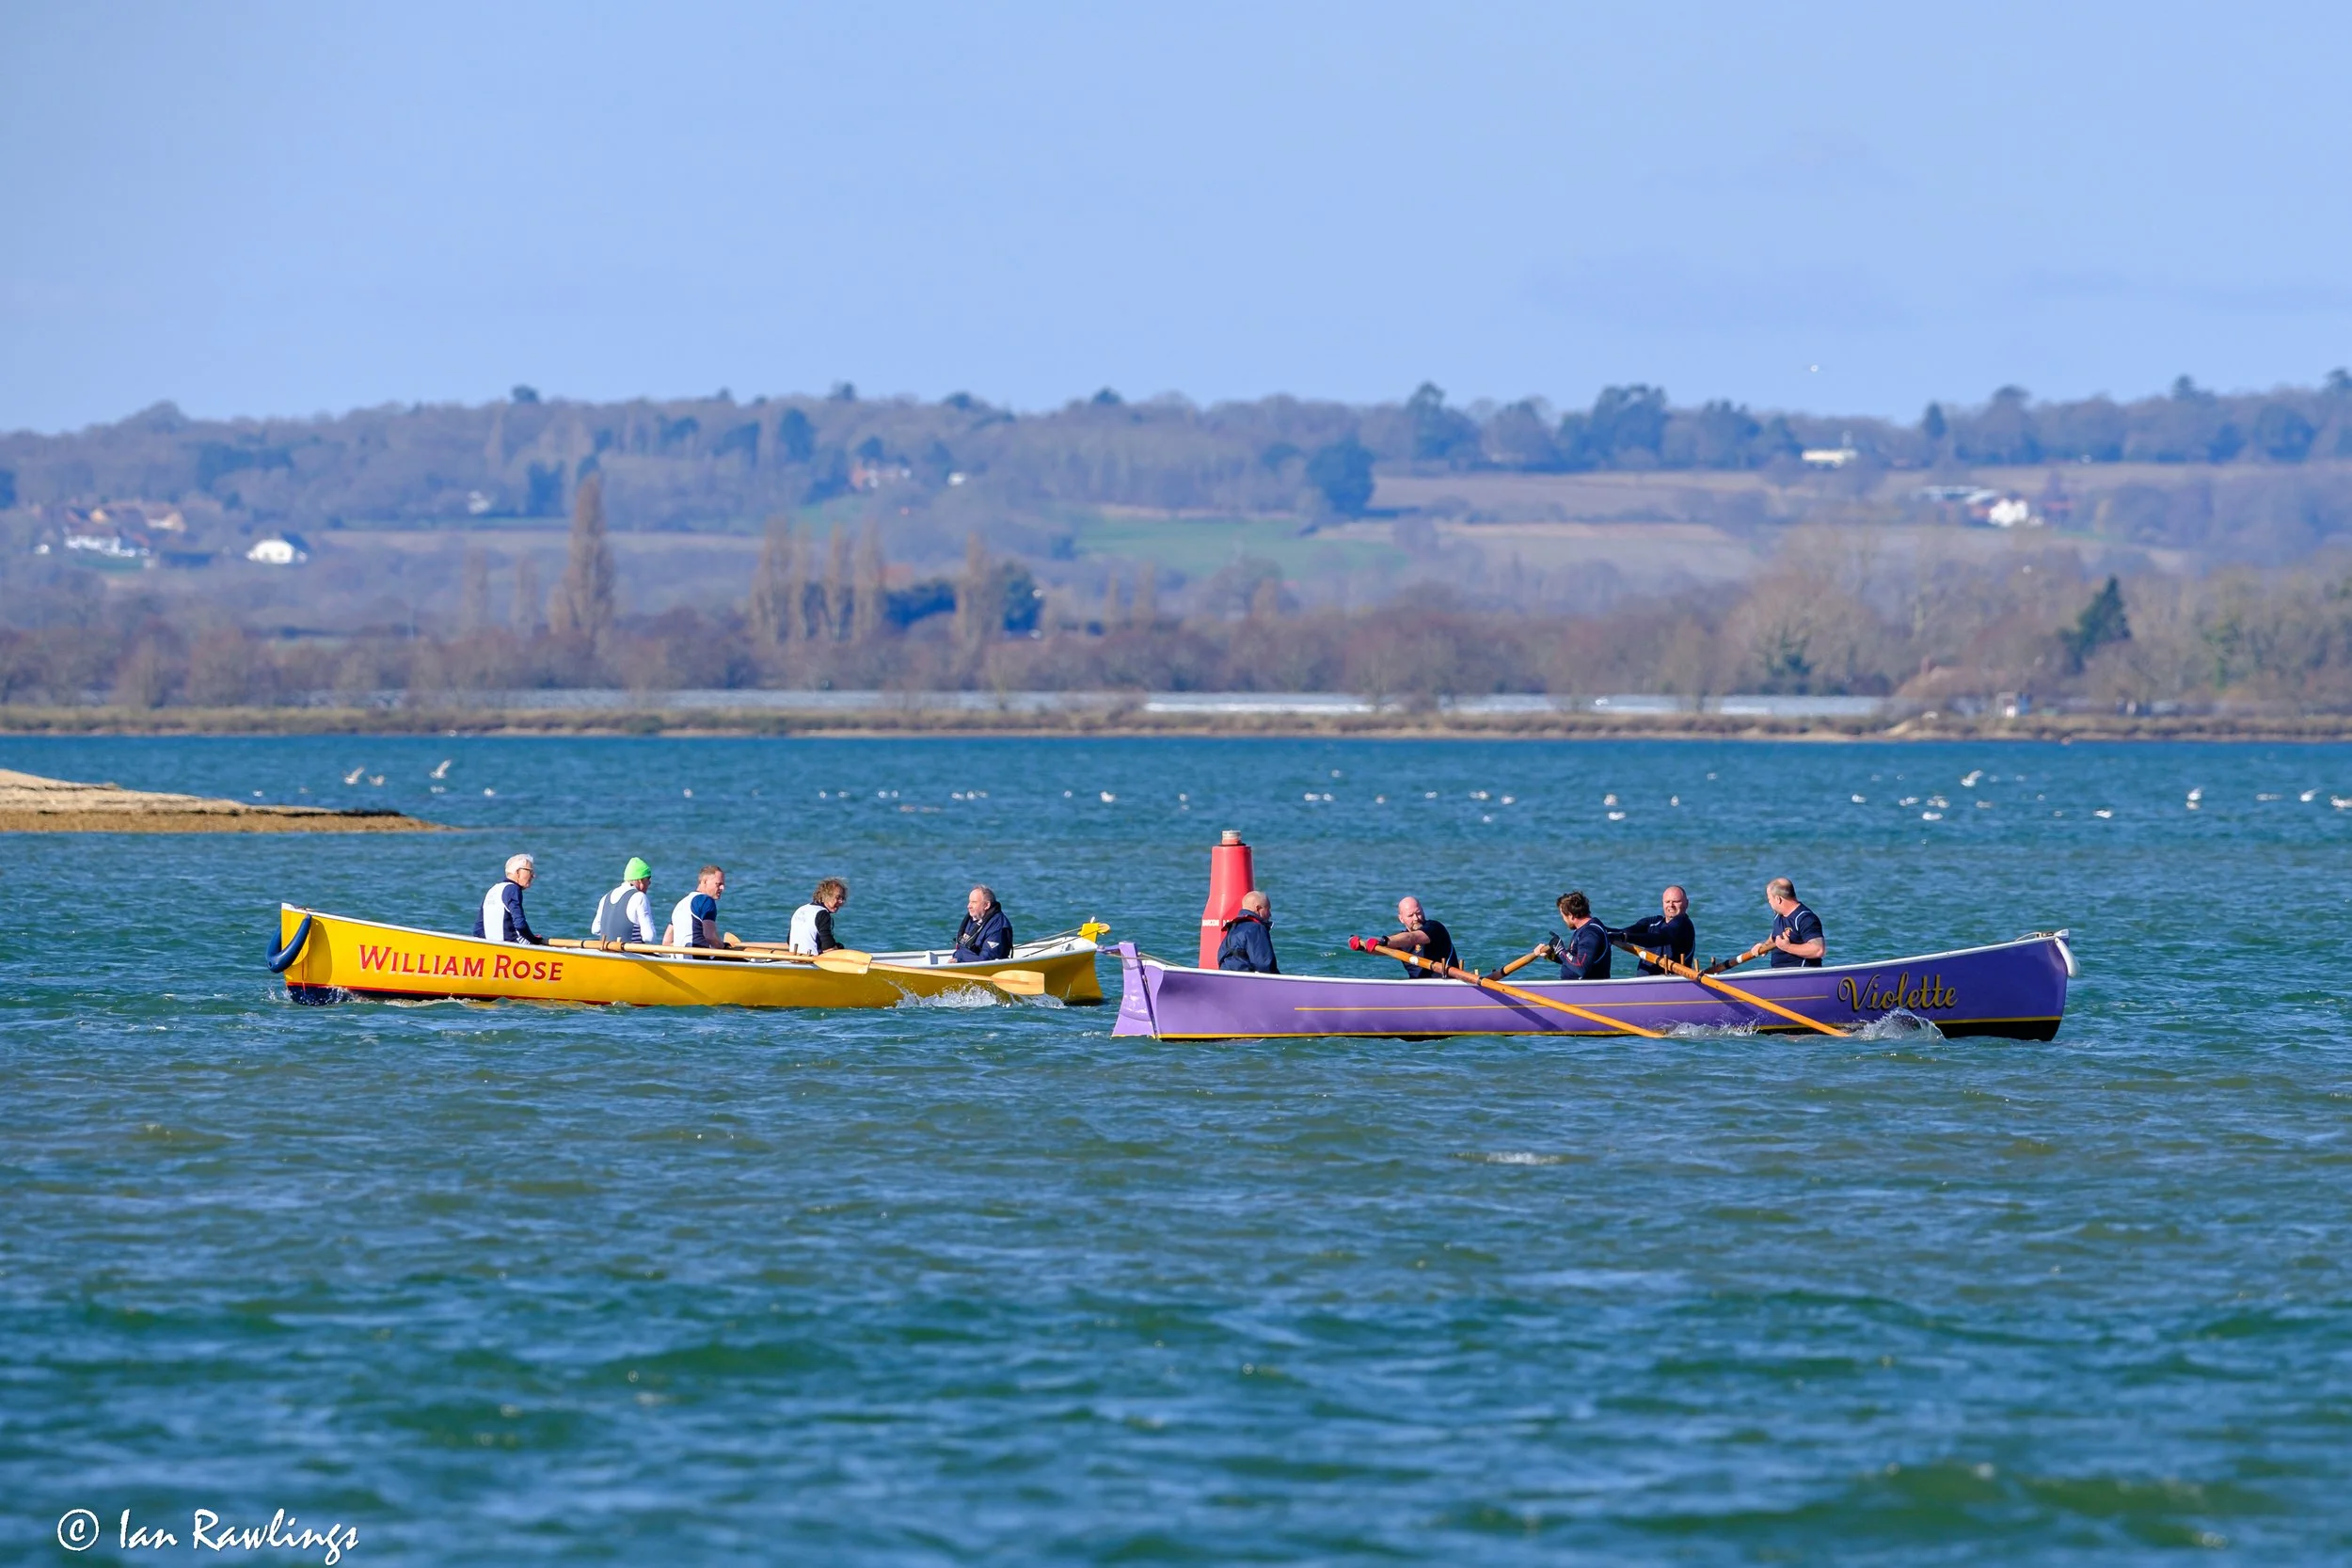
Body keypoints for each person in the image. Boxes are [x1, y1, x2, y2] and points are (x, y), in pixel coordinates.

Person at [1615, 884, 1695, 975]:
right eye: (1667, 902)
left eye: (1676, 901)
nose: (1671, 905)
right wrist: (1610, 933)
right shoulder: (1654, 922)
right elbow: (1627, 931)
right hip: (1644, 981)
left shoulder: (1684, 925)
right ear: (1663, 903)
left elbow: (1660, 937)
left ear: (1686, 903)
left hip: (1672, 980)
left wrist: (1626, 938)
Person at [475, 853, 548, 945]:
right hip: (514, 945)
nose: (533, 876)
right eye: (530, 871)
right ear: (518, 872)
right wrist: (534, 940)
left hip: (494, 946)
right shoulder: (512, 889)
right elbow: (520, 925)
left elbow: (478, 930)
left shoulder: (492, 890)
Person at [665, 863, 739, 951]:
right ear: (704, 882)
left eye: (723, 884)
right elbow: (710, 936)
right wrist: (724, 947)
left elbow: (666, 942)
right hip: (700, 957)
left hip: (680, 957)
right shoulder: (706, 900)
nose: (722, 888)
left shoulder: (680, 904)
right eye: (718, 884)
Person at [1380, 896, 1457, 979]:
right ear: (1401, 919)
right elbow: (1379, 949)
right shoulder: (1400, 940)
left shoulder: (1435, 928)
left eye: (1418, 913)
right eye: (1410, 915)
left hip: (1446, 982)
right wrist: (1371, 944)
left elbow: (1412, 937)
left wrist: (1385, 940)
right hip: (1416, 985)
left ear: (1423, 911)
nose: (1416, 918)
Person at [591, 857, 658, 946]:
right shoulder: (640, 897)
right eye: (648, 879)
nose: (649, 883)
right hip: (631, 953)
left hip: (606, 950)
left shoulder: (606, 897)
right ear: (640, 880)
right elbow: (649, 937)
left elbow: (595, 929)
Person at [1764, 877, 1825, 967]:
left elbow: (1818, 950)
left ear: (1778, 899)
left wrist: (1787, 947)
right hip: (1778, 972)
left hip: (1802, 973)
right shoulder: (1778, 916)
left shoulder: (1805, 918)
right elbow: (1774, 937)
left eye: (1769, 899)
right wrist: (1764, 946)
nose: (1769, 902)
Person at [1216, 890, 1279, 974]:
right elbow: (1264, 965)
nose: (1270, 914)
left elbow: (1221, 956)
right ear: (1258, 908)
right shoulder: (1256, 928)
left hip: (1225, 974)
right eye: (1268, 909)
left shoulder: (1233, 928)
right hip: (1246, 978)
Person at [1554, 891, 1612, 980]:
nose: (1564, 920)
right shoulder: (1584, 929)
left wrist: (1560, 951)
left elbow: (1581, 967)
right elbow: (1573, 961)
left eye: (1563, 916)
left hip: (1587, 987)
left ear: (1571, 915)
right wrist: (1552, 955)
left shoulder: (1590, 933)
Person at [951, 884, 1014, 963]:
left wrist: (960, 958)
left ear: (986, 905)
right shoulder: (973, 919)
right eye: (969, 901)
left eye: (974, 902)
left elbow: (988, 958)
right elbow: (963, 947)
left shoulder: (997, 925)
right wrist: (957, 957)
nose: (968, 906)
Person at [789, 877, 850, 956]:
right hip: (811, 959)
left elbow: (789, 940)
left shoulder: (800, 909)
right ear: (825, 896)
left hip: (794, 956)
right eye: (838, 897)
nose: (841, 901)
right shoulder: (823, 914)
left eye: (843, 898)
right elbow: (828, 948)